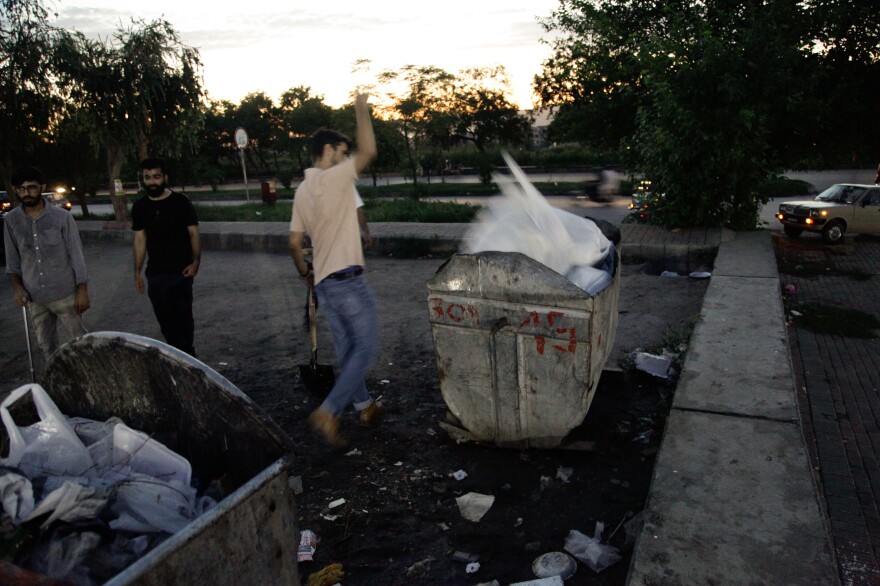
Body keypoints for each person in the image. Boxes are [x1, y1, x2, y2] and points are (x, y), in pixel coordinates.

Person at [289, 93, 381, 447]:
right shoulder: (335, 178)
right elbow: (369, 151)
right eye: (342, 153)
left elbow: (294, 244)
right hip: (349, 282)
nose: (346, 158)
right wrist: (361, 109)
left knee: (347, 350)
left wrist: (304, 274)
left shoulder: (302, 191)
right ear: (328, 151)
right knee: (366, 347)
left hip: (325, 285)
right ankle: (329, 410)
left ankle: (363, 405)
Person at [4, 166, 90, 357]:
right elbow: (12, 261)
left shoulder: (62, 217)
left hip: (65, 293)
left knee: (80, 343)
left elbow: (76, 254)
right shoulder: (12, 220)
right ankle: (58, 384)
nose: (27, 193)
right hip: (34, 297)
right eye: (21, 189)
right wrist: (18, 288)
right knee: (47, 347)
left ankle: (87, 380)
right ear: (16, 190)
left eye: (32, 187)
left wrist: (82, 289)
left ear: (42, 187)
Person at [132, 156, 201, 356]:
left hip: (182, 272)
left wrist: (196, 262)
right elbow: (139, 240)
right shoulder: (140, 207)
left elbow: (194, 233)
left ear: (165, 177)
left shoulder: (181, 202)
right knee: (166, 322)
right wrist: (136, 272)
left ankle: (189, 358)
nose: (152, 182)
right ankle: (176, 357)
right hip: (156, 274)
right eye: (147, 178)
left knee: (184, 321)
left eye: (156, 177)